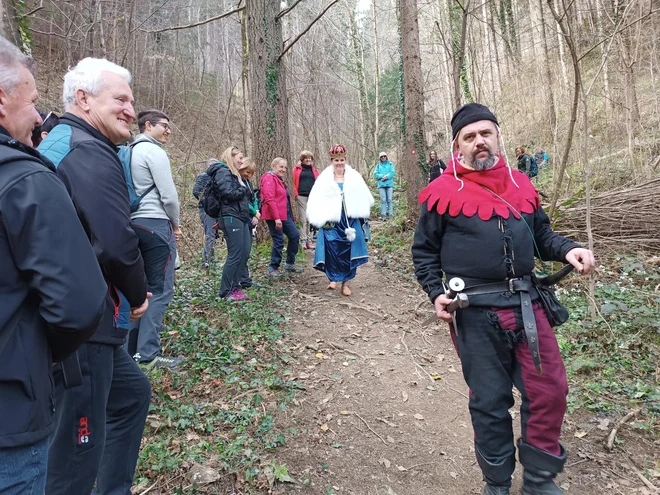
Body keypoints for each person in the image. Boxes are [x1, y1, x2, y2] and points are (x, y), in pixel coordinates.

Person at [412, 103, 595, 495]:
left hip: (528, 305)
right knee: (490, 399)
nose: (480, 141)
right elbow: (424, 252)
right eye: (470, 136)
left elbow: (541, 236)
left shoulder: (521, 184)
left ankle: (538, 480)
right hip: (475, 311)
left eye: (486, 133)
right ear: (457, 146)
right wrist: (434, 293)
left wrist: (568, 250)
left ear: (497, 136)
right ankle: (496, 482)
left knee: (550, 390)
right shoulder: (440, 192)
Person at [37, 57, 152, 495]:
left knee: (131, 394)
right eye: (120, 99)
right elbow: (116, 239)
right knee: (75, 450)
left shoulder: (67, 141)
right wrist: (138, 292)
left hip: (75, 319)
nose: (129, 109)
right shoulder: (87, 151)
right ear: (83, 100)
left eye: (132, 100)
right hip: (78, 322)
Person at [0, 35, 107, 495]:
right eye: (32, 102)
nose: (39, 117)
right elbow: (79, 302)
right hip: (11, 419)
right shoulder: (26, 179)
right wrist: (44, 356)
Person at [125, 109, 183, 369]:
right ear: (148, 126)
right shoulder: (154, 152)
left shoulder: (126, 151)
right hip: (156, 225)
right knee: (160, 289)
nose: (168, 130)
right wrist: (176, 224)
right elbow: (168, 196)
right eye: (164, 125)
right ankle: (148, 354)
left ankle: (130, 352)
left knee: (139, 288)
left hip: (132, 224)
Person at [306, 144, 374, 296]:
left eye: (342, 160)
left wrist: (358, 210)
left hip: (349, 221)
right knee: (332, 249)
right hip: (332, 221)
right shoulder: (324, 179)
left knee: (349, 250)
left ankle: (346, 284)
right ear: (331, 161)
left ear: (345, 160)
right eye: (336, 160)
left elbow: (364, 197)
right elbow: (316, 199)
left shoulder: (354, 177)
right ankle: (333, 278)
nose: (339, 163)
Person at [206, 146, 252, 300]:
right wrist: (243, 190)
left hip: (241, 216)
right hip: (231, 216)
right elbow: (227, 193)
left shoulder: (233, 174)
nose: (241, 161)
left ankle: (235, 287)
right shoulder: (223, 171)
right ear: (231, 157)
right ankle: (226, 291)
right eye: (239, 158)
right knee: (235, 254)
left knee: (244, 252)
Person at [260, 157, 304, 276]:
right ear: (273, 166)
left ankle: (290, 263)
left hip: (285, 215)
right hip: (274, 216)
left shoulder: (279, 179)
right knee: (278, 240)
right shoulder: (269, 178)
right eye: (281, 167)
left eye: (285, 167)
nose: (283, 169)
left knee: (294, 235)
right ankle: (273, 267)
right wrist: (276, 218)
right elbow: (269, 198)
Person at [237, 157, 261, 289]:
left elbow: (254, 198)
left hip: (250, 217)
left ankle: (245, 280)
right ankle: (241, 280)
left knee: (247, 251)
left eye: (251, 173)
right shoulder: (237, 182)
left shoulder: (248, 183)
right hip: (241, 217)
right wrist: (254, 212)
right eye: (246, 171)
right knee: (241, 251)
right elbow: (243, 201)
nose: (248, 175)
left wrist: (256, 211)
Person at [292, 150, 320, 249]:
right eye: (306, 158)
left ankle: (309, 240)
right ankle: (303, 240)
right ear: (302, 159)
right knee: (303, 219)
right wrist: (295, 194)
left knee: (309, 219)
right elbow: (293, 181)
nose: (308, 160)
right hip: (301, 196)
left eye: (309, 158)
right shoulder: (297, 169)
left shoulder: (314, 170)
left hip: (312, 197)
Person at [193, 159, 217, 267]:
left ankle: (209, 260)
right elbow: (196, 191)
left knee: (212, 234)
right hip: (205, 210)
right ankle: (207, 261)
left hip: (213, 210)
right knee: (210, 235)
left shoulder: (216, 178)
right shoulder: (203, 176)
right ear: (209, 166)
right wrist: (207, 202)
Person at [374, 151, 395, 220]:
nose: (383, 158)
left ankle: (391, 215)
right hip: (381, 185)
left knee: (389, 199)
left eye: (384, 156)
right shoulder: (378, 166)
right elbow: (375, 174)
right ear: (380, 158)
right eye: (382, 157)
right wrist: (382, 176)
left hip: (389, 184)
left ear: (386, 157)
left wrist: (387, 177)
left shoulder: (390, 164)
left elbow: (392, 172)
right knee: (383, 200)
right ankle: (383, 216)